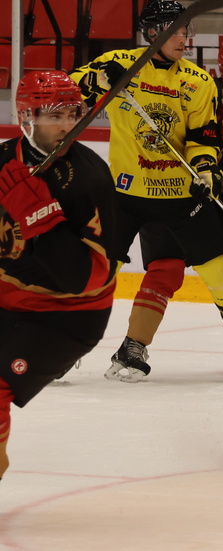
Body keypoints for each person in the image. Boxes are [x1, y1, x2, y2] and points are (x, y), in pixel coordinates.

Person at [70, 0, 223, 382]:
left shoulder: (196, 82)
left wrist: (204, 168)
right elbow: (68, 92)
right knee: (96, 271)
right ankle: (64, 341)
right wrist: (100, 79)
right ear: (152, 33)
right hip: (126, 193)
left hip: (180, 196)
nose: (184, 38)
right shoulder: (120, 62)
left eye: (186, 31)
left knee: (221, 273)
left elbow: (203, 139)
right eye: (176, 31)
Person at [0, 71, 118, 479]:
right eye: (55, 116)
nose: (68, 125)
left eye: (73, 113)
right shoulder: (3, 162)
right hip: (8, 297)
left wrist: (42, 221)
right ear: (26, 118)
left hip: (66, 316)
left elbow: (85, 280)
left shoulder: (91, 180)